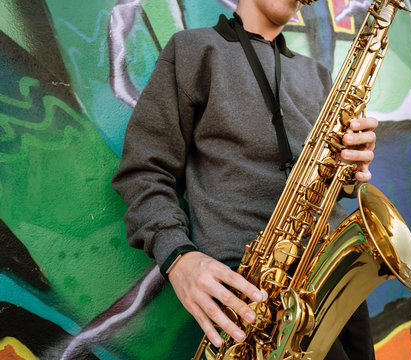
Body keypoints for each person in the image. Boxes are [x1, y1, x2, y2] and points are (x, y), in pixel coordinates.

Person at [112, 0, 377, 358]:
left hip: (328, 274)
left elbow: (328, 183)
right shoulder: (194, 50)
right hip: (250, 291)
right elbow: (143, 170)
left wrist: (351, 168)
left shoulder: (318, 75)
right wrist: (177, 256)